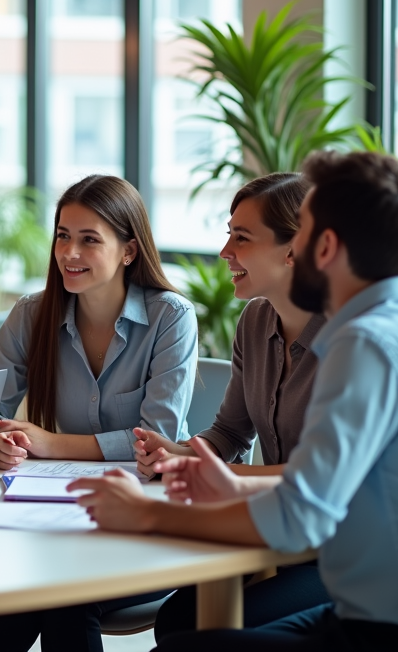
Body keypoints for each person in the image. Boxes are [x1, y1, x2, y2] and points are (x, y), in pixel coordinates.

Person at [69, 151, 398, 652]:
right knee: (187, 626)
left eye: (306, 232)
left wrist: (147, 514)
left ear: (324, 247)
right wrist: (228, 482)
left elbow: (301, 517)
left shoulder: (364, 343)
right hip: (385, 606)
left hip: (387, 628)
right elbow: (329, 483)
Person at [0, 174, 199, 652]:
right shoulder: (32, 315)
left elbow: (153, 444)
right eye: (63, 236)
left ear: (129, 251)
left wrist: (51, 443)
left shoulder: (170, 317)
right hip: (62, 513)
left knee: (58, 590)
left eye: (89, 240)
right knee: (51, 583)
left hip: (154, 518)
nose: (69, 253)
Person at [131, 174, 330, 638]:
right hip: (277, 531)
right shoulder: (256, 320)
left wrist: (215, 474)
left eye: (241, 237)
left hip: (347, 550)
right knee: (178, 620)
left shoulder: (348, 339)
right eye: (228, 234)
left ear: (293, 250)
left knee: (193, 630)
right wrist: (182, 453)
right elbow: (230, 434)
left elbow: (316, 477)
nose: (225, 252)